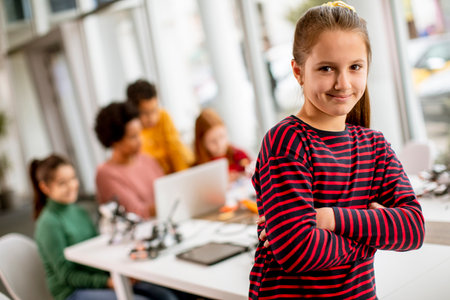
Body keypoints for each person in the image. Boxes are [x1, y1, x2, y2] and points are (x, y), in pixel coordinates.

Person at [250, 2, 425, 299]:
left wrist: (331, 219)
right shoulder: (287, 142)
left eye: (355, 67)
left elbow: (413, 228)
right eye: (326, 68)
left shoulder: (374, 145)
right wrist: (374, 236)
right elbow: (299, 251)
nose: (343, 83)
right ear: (298, 71)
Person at [31, 154, 179, 300]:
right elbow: (67, 275)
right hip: (72, 291)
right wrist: (108, 282)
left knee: (166, 295)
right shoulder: (48, 224)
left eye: (73, 179)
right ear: (44, 187)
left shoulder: (79, 211)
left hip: (99, 278)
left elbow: (97, 252)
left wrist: (120, 274)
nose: (72, 186)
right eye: (62, 183)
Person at [94, 102, 164, 219]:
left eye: (139, 133)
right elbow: (135, 213)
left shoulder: (147, 160)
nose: (140, 140)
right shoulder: (105, 175)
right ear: (115, 141)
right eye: (133, 136)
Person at [126, 79, 194, 174]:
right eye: (145, 113)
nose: (151, 118)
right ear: (133, 110)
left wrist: (184, 175)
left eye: (154, 110)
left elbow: (175, 149)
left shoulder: (164, 117)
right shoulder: (132, 131)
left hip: (178, 172)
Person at [194, 108, 251, 182]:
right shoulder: (199, 169)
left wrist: (241, 174)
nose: (220, 144)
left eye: (222, 136)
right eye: (213, 141)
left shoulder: (239, 155)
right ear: (202, 143)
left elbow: (252, 171)